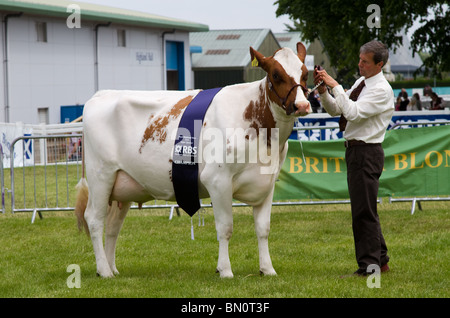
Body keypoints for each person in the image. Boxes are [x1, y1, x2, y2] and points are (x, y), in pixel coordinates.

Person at [310, 40, 393, 277]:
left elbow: (353, 113)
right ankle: (382, 261)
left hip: (366, 152)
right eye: (360, 60)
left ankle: (369, 267)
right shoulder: (361, 83)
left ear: (379, 65)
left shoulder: (381, 89)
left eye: (365, 62)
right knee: (365, 209)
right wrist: (325, 91)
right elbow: (337, 109)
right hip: (357, 151)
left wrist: (334, 84)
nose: (360, 65)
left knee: (363, 212)